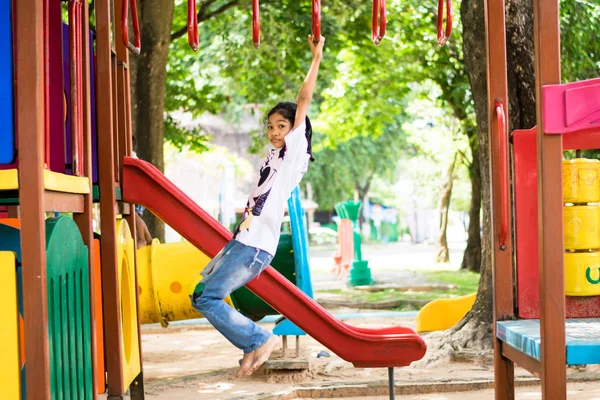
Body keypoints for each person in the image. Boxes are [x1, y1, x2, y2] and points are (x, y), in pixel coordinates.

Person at [190, 34, 325, 377]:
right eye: (270, 126)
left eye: (282, 125)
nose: (275, 131)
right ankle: (251, 344)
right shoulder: (273, 155)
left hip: (254, 246)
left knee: (207, 298)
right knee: (200, 294)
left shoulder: (294, 155)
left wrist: (316, 58)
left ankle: (257, 340)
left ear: (295, 129)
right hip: (243, 240)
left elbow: (304, 98)